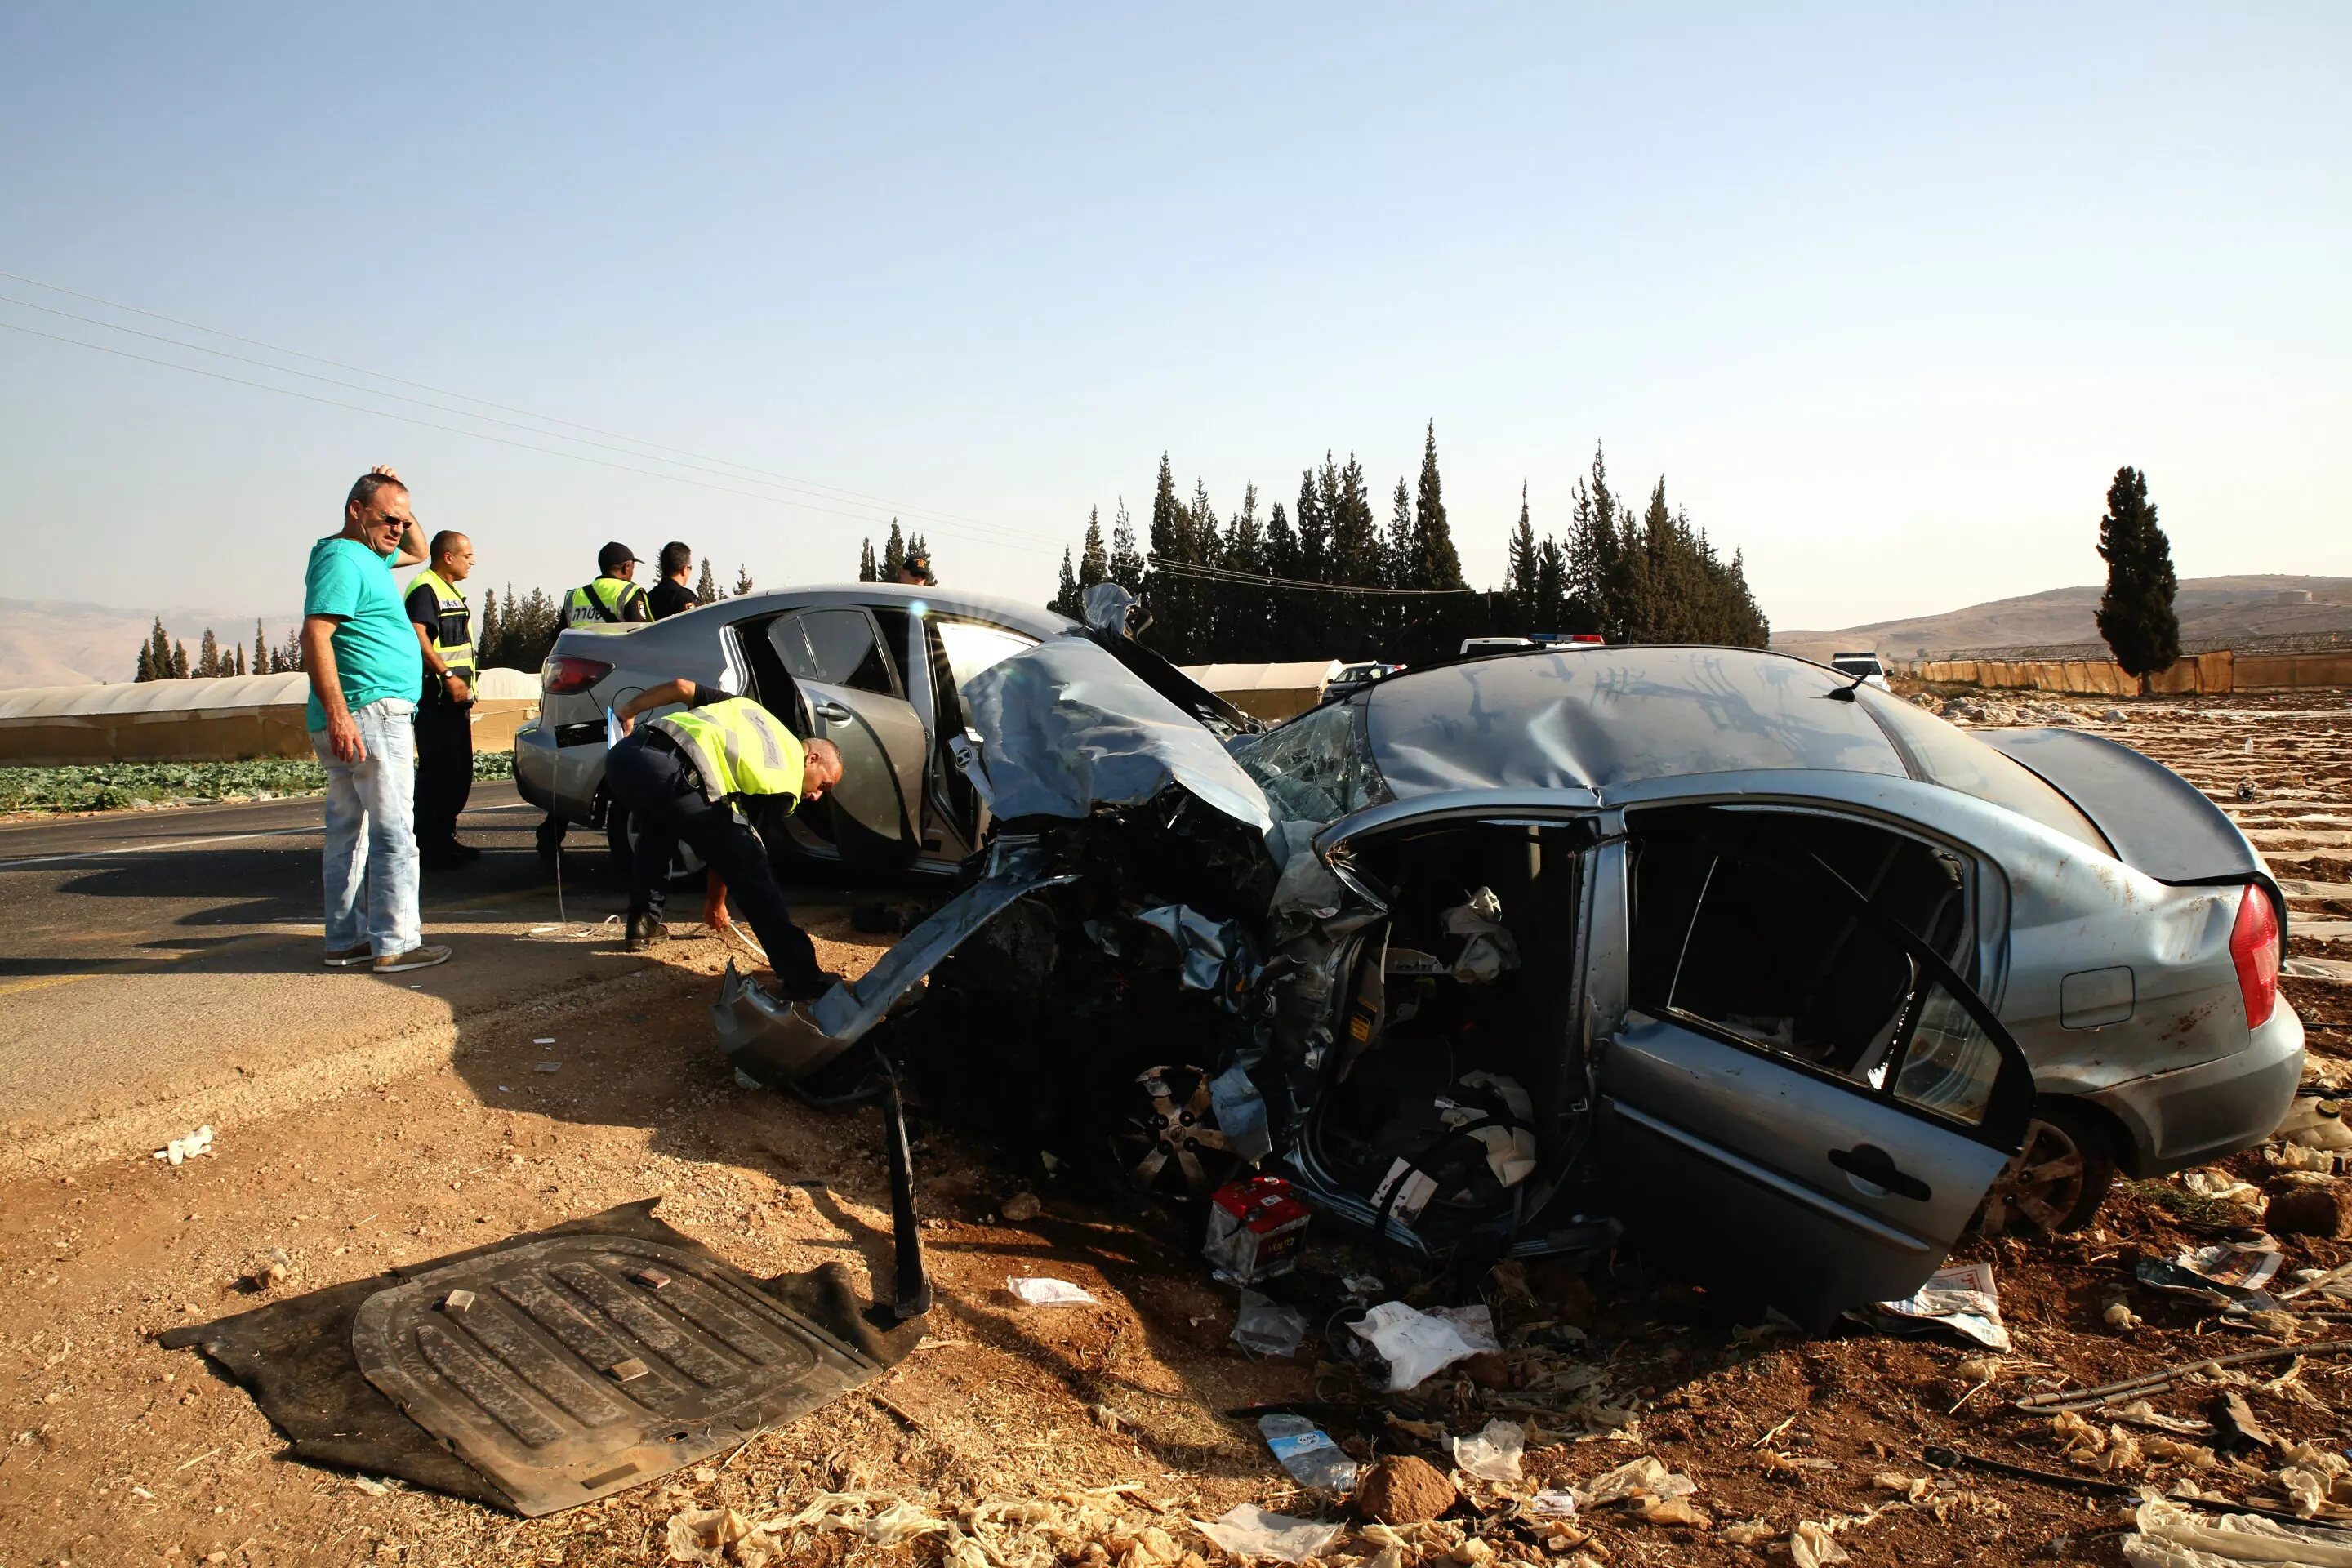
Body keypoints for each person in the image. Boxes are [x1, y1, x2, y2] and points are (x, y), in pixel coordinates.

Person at [604, 679, 844, 998]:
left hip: (625, 757)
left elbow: (681, 687)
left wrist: (628, 710)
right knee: (751, 864)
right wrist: (715, 904)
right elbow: (733, 854)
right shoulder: (783, 780)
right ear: (812, 758)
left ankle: (643, 923)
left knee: (658, 826)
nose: (815, 796)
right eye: (823, 785)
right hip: (676, 771)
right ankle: (801, 975)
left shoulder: (751, 711)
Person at [301, 466, 451, 973]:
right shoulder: (346, 560)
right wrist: (342, 716)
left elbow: (421, 551)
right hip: (368, 712)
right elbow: (315, 636)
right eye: (389, 518)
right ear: (355, 511)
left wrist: (404, 505)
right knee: (394, 833)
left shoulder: (368, 557)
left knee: (350, 834)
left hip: (357, 714)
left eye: (402, 520)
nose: (398, 529)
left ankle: (345, 940)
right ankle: (396, 943)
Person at [406, 531, 479, 867]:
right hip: (437, 700)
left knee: (457, 773)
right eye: (467, 556)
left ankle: (444, 838)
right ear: (447, 557)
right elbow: (418, 636)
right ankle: (428, 845)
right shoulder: (425, 588)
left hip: (455, 701)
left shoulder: (448, 591)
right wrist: (447, 677)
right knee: (439, 773)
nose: (472, 561)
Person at [564, 541, 652, 626]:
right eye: (633, 568)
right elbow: (640, 635)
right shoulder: (630, 593)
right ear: (626, 567)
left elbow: (558, 636)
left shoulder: (573, 596)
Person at [648, 541, 697, 619]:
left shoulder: (649, 597)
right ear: (684, 570)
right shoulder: (684, 598)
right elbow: (692, 625)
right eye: (690, 568)